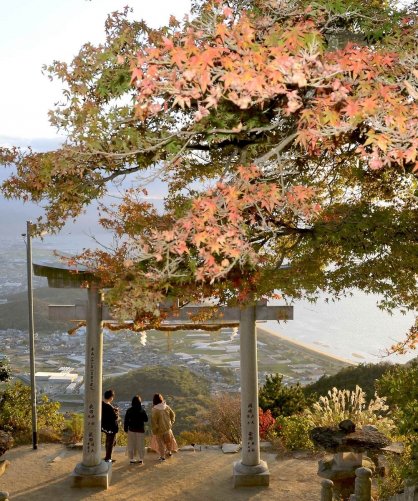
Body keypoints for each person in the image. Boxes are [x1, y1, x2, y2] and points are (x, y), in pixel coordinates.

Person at [151, 393, 178, 462]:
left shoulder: (155, 409)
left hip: (159, 430)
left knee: (161, 444)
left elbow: (154, 422)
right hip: (168, 429)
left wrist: (154, 431)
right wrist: (171, 422)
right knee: (168, 441)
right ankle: (169, 452)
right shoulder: (166, 406)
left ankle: (162, 457)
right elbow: (173, 415)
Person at [124, 394, 148, 464]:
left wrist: (125, 429)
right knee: (140, 445)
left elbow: (126, 421)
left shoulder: (129, 410)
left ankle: (131, 459)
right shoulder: (142, 410)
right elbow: (146, 419)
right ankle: (141, 459)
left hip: (131, 430)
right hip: (140, 430)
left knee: (131, 445)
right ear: (140, 402)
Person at [101, 389, 119, 463]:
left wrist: (113, 409)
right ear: (111, 397)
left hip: (105, 426)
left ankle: (107, 457)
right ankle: (108, 458)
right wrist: (117, 412)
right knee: (111, 442)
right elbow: (115, 417)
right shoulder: (109, 407)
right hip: (111, 427)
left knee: (108, 442)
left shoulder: (102, 404)